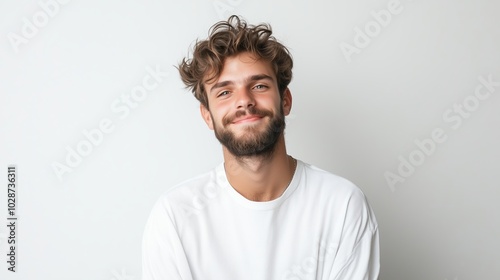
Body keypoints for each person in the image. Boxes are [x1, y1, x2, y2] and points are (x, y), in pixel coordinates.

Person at [142, 15, 380, 280]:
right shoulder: (175, 216)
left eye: (259, 85)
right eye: (224, 92)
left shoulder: (342, 204)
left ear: (285, 100)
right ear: (207, 115)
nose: (244, 101)